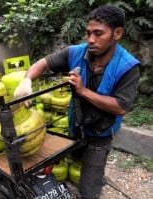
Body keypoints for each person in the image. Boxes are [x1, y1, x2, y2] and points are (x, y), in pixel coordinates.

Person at [14, 4, 140, 199]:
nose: (91, 39)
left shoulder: (128, 67)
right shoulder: (75, 53)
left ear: (117, 33)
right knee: (73, 159)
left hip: (101, 133)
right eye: (88, 33)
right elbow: (43, 63)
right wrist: (27, 80)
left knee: (88, 190)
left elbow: (121, 107)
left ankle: (94, 180)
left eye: (98, 34)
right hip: (77, 123)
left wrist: (83, 91)